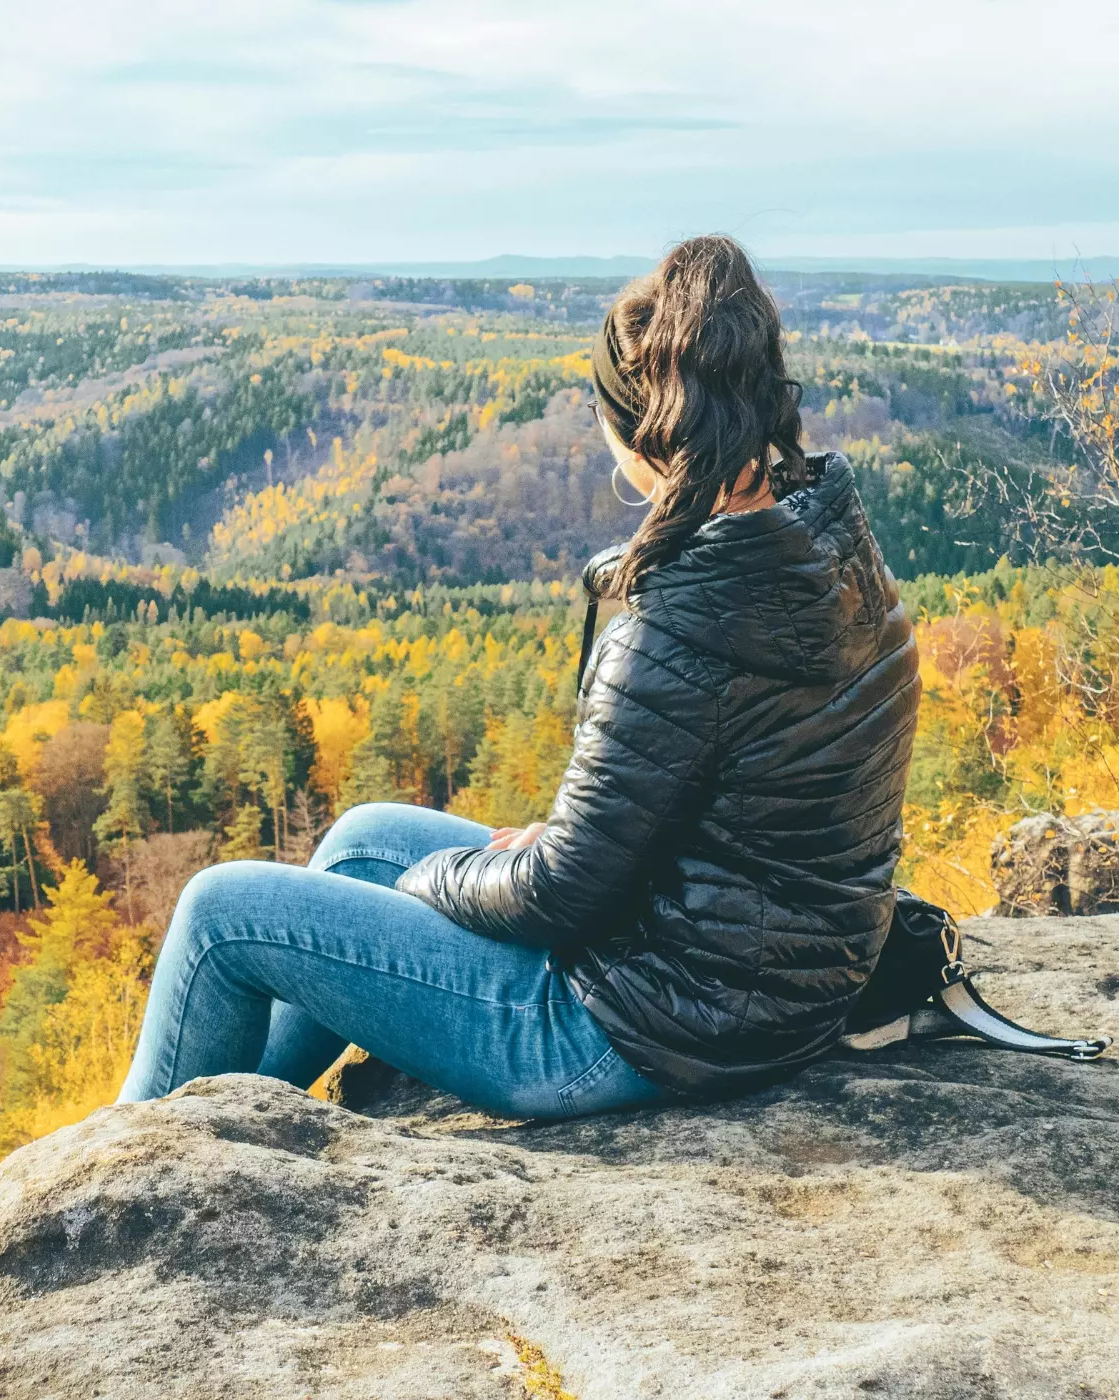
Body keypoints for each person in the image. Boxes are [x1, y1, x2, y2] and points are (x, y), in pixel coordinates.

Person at [117, 234, 921, 1117]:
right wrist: (545, 854)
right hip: (761, 990)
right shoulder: (833, 550)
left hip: (634, 1030)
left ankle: (120, 1162)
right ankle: (232, 1117)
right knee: (359, 840)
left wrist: (443, 879)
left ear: (641, 435)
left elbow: (554, 894)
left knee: (219, 912)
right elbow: (741, 810)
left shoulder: (679, 630)